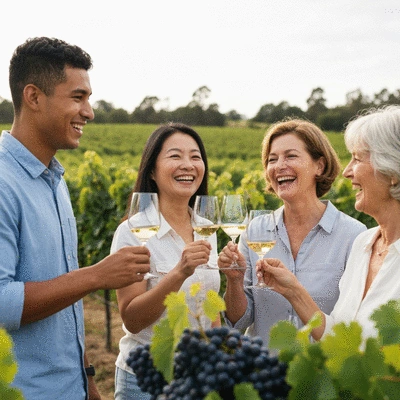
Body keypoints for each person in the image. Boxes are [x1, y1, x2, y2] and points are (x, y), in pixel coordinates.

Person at [0, 37, 151, 400]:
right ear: (33, 97)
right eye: (78, 97)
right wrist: (97, 275)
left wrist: (87, 380)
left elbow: (63, 302)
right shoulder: (3, 184)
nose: (89, 111)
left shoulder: (56, 182)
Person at [218, 118, 366, 345]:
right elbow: (238, 322)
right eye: (271, 159)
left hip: (321, 374)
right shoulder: (255, 229)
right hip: (263, 374)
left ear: (320, 165)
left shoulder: (354, 235)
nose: (279, 166)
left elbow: (354, 325)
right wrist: (234, 281)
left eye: (291, 156)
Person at [258, 106, 400, 341]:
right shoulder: (364, 244)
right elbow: (339, 337)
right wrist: (293, 291)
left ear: (392, 169)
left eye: (357, 159)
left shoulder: (353, 233)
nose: (347, 172)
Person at [111, 122, 221, 400]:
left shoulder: (208, 228)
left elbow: (210, 309)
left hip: (199, 378)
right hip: (146, 380)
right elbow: (132, 319)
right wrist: (179, 273)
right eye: (175, 156)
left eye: (195, 157)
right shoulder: (133, 232)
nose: (188, 165)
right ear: (152, 170)